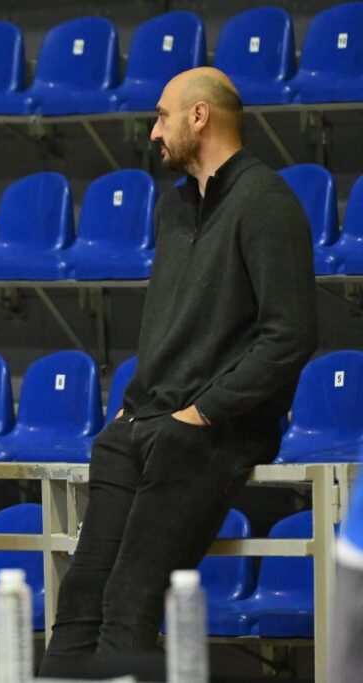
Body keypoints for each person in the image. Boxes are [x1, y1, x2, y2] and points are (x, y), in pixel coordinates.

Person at [39, 67, 317, 675]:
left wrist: (201, 411)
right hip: (141, 422)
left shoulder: (266, 202)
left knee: (127, 602)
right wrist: (131, 405)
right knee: (80, 598)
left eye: (163, 115)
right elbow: (169, 328)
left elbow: (289, 336)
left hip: (212, 430)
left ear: (199, 117)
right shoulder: (173, 207)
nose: (153, 130)